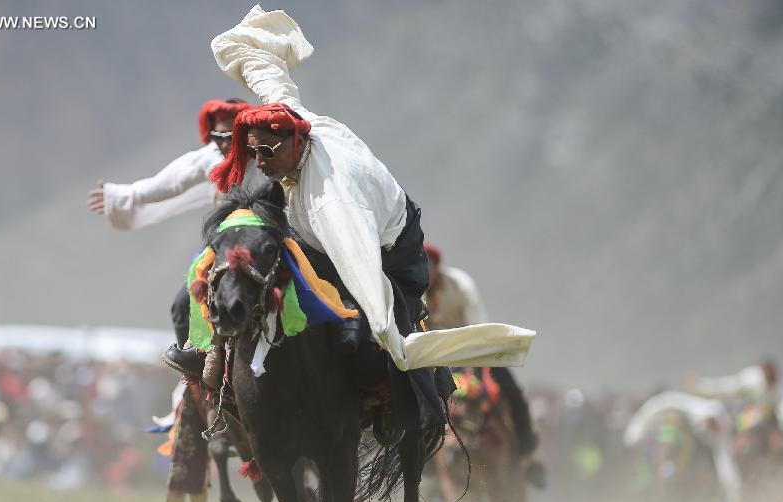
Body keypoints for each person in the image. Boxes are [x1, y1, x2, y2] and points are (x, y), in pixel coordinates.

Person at [169, 5, 535, 433]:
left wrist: (387, 332)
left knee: (364, 342)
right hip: (314, 228)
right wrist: (240, 46)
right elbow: (266, 73)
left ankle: (399, 406)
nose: (260, 162)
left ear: (294, 141)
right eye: (253, 153)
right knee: (245, 261)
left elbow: (361, 267)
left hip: (388, 252)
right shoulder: (289, 123)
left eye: (267, 153)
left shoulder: (332, 202)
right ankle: (219, 354)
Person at [87, 98, 255, 346]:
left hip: (268, 242)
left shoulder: (265, 155)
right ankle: (193, 371)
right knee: (181, 308)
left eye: (228, 135)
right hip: (224, 245)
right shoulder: (210, 158)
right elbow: (169, 183)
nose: (221, 143)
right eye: (216, 136)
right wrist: (123, 195)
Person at [423, 243, 538, 456]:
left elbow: (475, 325)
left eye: (427, 263)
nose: (422, 269)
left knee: (511, 390)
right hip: (433, 358)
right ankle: (421, 459)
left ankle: (526, 448)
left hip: (472, 351)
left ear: (437, 266)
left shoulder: (460, 285)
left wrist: (467, 359)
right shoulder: (412, 289)